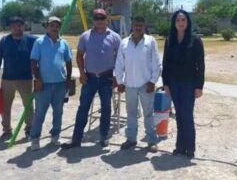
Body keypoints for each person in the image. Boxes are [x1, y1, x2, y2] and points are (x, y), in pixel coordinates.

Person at [61, 9, 121, 149]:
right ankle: (76, 139)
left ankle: (104, 137)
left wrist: (118, 77)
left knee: (106, 108)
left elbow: (120, 58)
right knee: (83, 108)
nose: (99, 21)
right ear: (93, 20)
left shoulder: (115, 37)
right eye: (96, 18)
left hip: (107, 78)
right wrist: (82, 73)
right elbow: (79, 56)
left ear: (107, 20)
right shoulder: (85, 36)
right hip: (89, 78)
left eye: (102, 18)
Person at [161, 10, 205, 159]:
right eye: (178, 20)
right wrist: (165, 83)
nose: (181, 23)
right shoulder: (169, 40)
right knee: (179, 116)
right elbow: (165, 63)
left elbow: (201, 64)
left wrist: (199, 86)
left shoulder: (195, 40)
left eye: (183, 20)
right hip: (174, 84)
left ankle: (190, 148)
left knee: (187, 115)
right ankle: (180, 146)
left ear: (187, 22)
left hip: (189, 84)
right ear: (174, 23)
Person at [115, 17, 162, 153]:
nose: (138, 28)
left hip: (146, 84)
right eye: (136, 25)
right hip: (129, 84)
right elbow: (119, 64)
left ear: (144, 26)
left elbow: (157, 64)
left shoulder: (150, 41)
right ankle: (131, 139)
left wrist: (153, 81)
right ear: (132, 26)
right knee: (131, 113)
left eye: (140, 25)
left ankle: (151, 140)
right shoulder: (124, 43)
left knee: (148, 113)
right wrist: (120, 82)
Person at [29, 16, 73, 151]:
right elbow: (33, 62)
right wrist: (38, 80)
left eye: (57, 26)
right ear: (47, 27)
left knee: (58, 112)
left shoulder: (64, 43)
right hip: (43, 85)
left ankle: (55, 136)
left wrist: (68, 81)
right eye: (52, 25)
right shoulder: (39, 42)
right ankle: (35, 139)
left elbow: (69, 62)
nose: (54, 28)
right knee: (40, 113)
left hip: (60, 83)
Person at [0, 16, 37, 140]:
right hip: (8, 79)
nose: (17, 28)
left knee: (28, 106)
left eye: (19, 25)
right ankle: (7, 130)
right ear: (10, 27)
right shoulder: (4, 41)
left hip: (26, 79)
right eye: (14, 26)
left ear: (24, 26)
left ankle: (29, 129)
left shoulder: (32, 40)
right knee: (5, 106)